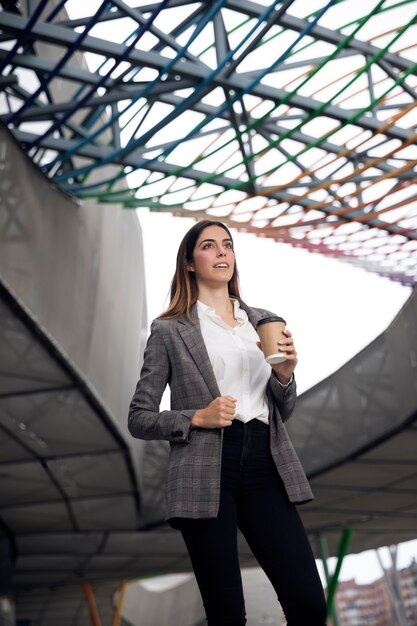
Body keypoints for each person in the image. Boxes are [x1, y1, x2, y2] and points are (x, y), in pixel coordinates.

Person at [128, 219, 327, 626]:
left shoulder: (265, 321)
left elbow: (282, 411)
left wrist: (285, 374)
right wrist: (196, 416)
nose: (222, 252)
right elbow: (139, 417)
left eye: (228, 245)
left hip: (266, 462)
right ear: (189, 262)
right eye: (209, 246)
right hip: (204, 469)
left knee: (308, 601)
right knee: (226, 613)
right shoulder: (169, 330)